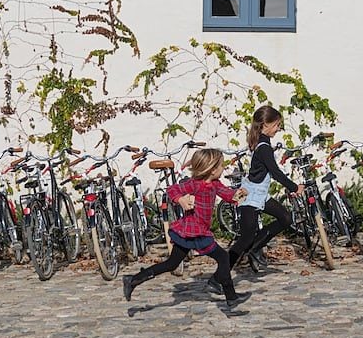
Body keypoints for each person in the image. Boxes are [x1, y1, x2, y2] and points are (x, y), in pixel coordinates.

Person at [122, 148, 251, 309]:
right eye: (221, 166)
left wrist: (241, 194)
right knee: (224, 258)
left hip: (191, 232)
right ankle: (230, 297)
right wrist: (181, 200)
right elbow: (172, 190)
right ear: (211, 170)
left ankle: (133, 280)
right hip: (195, 231)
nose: (223, 168)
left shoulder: (215, 184)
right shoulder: (195, 184)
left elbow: (228, 195)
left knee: (172, 264)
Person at [208, 105, 304, 293]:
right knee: (245, 239)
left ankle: (255, 249)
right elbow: (275, 172)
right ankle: (218, 278)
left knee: (285, 218)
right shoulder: (264, 147)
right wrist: (294, 187)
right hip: (251, 196)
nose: (278, 128)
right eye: (276, 125)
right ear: (265, 125)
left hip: (259, 194)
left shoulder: (263, 143)